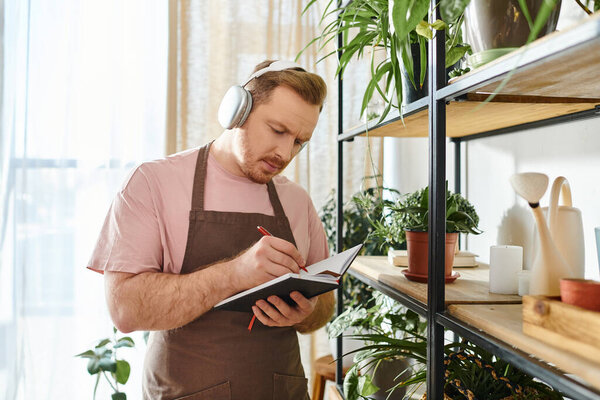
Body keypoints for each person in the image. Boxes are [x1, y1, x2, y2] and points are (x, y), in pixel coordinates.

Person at [87, 60, 335, 400]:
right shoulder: (153, 183)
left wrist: (306, 313)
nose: (285, 152)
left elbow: (324, 304)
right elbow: (125, 310)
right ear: (237, 111)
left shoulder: (296, 200)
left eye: (299, 142)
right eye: (278, 130)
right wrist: (235, 274)